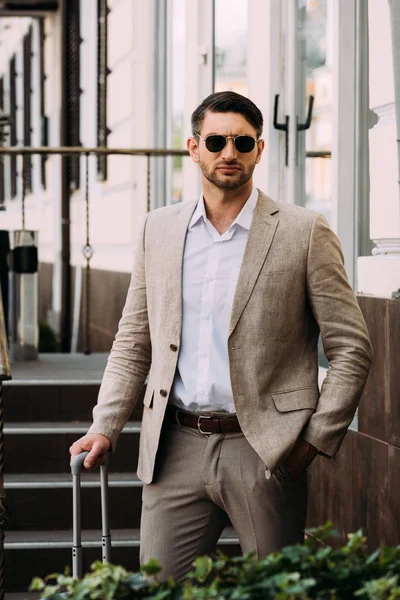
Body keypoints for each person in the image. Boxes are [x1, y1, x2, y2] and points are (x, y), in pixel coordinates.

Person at [70, 91, 372, 581]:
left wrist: (313, 441)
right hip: (176, 447)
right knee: (161, 587)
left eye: (242, 142)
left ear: (259, 150)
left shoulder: (304, 231)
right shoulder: (158, 229)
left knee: (276, 590)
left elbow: (352, 348)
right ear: (193, 148)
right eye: (215, 141)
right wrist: (105, 425)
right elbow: (133, 340)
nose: (228, 152)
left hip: (266, 450)